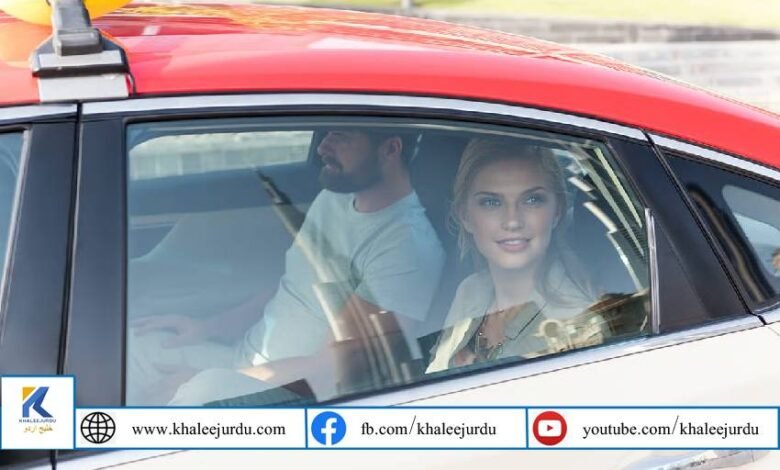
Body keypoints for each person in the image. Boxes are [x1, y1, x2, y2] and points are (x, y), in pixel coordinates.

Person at [129, 128, 445, 404]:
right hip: (245, 360)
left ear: (390, 149)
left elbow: (335, 370)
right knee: (132, 347)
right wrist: (208, 327)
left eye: (340, 137)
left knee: (200, 394)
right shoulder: (333, 199)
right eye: (326, 134)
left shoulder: (407, 249)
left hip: (293, 393)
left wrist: (214, 379)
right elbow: (294, 284)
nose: (323, 147)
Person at [427, 137, 604, 373]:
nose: (512, 221)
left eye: (532, 200)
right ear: (465, 216)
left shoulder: (575, 325)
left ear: (557, 211)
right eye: (491, 202)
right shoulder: (470, 291)